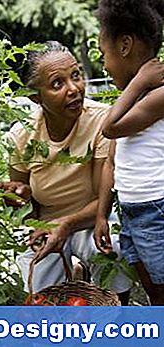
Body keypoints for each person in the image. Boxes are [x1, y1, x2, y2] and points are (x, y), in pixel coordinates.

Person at [0, 41, 132, 304]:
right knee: (41, 295)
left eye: (76, 76)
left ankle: (118, 314)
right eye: (57, 84)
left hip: (91, 221)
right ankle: (75, 273)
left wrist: (66, 224)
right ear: (37, 98)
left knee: (109, 249)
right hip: (46, 226)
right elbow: (22, 204)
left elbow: (104, 200)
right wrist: (19, 198)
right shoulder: (22, 136)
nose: (73, 89)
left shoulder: (102, 121)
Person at [94, 0, 164, 305]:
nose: (103, 65)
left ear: (124, 45)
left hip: (156, 210)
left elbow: (110, 127)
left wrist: (137, 84)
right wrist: (101, 216)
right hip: (131, 210)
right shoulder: (132, 95)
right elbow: (111, 160)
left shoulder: (158, 93)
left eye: (103, 54)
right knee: (150, 286)